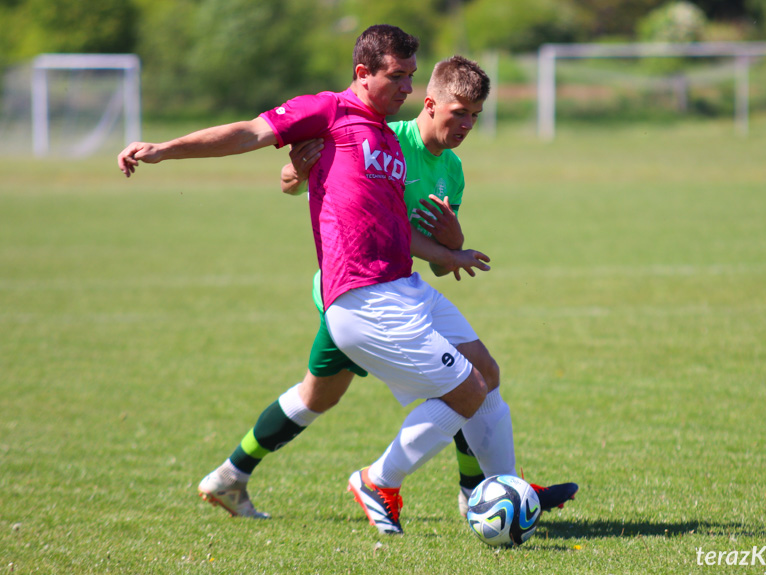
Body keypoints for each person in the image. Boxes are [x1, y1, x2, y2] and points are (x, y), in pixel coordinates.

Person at [116, 25, 556, 536]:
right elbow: (252, 133)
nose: (407, 89)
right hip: (359, 293)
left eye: (411, 77)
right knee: (464, 388)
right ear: (362, 74)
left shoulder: (390, 146)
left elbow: (392, 229)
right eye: (399, 77)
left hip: (403, 287)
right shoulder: (333, 111)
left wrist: (451, 251)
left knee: (456, 377)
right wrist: (167, 149)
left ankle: (503, 491)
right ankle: (393, 482)